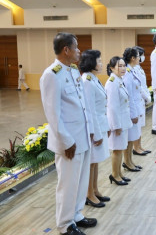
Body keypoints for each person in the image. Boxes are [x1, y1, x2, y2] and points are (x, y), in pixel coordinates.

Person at [40, 32, 97, 235]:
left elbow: (83, 105)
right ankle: (65, 224)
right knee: (67, 184)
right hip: (69, 142)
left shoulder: (73, 72)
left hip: (82, 137)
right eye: (76, 47)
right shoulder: (51, 75)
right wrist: (66, 141)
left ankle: (76, 215)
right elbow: (52, 114)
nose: (79, 51)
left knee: (81, 180)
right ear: (66, 50)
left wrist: (90, 130)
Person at [79, 50, 110, 208]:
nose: (101, 63)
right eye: (99, 60)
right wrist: (96, 134)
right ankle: (88, 194)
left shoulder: (93, 79)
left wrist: (106, 127)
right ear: (91, 62)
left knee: (96, 162)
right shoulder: (86, 81)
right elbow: (89, 110)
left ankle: (95, 190)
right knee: (91, 163)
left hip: (100, 124)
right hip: (94, 128)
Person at [105, 56, 132, 186]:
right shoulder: (111, 83)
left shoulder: (119, 80)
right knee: (116, 149)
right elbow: (112, 107)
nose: (123, 68)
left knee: (121, 148)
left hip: (123, 121)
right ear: (111, 68)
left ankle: (119, 173)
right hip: (117, 123)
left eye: (123, 65)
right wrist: (116, 126)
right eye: (119, 66)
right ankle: (114, 175)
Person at [121, 47, 144, 171]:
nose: (140, 58)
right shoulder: (127, 73)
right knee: (129, 139)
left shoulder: (132, 71)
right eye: (138, 56)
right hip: (131, 110)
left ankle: (130, 161)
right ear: (132, 58)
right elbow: (128, 96)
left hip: (136, 107)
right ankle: (127, 162)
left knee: (131, 138)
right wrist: (133, 114)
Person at [133, 46, 152, 155]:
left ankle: (139, 146)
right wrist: (147, 97)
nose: (143, 57)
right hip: (139, 99)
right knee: (137, 127)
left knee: (140, 126)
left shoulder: (139, 68)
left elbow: (144, 85)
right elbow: (139, 87)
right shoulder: (133, 69)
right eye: (141, 55)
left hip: (142, 99)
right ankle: (136, 148)